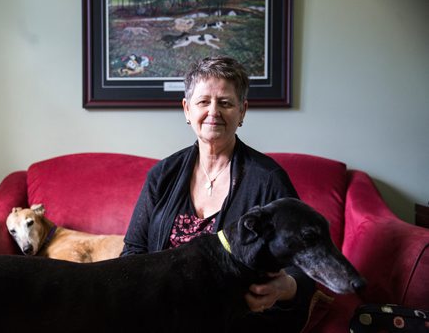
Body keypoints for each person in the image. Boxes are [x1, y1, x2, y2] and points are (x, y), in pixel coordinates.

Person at [121, 56, 315, 331]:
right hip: (161, 315)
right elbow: (133, 251)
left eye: (225, 102)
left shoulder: (268, 180)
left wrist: (286, 287)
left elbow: (306, 262)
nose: (214, 112)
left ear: (242, 111)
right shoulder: (162, 175)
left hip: (238, 322)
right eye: (203, 102)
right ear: (187, 110)